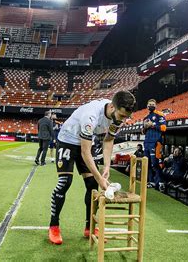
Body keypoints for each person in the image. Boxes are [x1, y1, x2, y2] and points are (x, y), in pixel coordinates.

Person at [48, 91, 135, 245]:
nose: (123, 120)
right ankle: (54, 226)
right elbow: (85, 152)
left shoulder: (117, 117)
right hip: (67, 140)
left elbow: (108, 140)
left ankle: (90, 227)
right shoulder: (91, 116)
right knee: (65, 182)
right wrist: (99, 177)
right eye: (122, 116)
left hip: (87, 142)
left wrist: (107, 166)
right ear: (112, 107)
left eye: (126, 117)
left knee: (92, 185)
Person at [142, 99, 167, 189]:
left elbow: (164, 128)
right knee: (147, 163)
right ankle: (151, 181)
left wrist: (152, 125)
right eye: (150, 104)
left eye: (153, 104)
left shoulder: (160, 115)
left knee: (155, 163)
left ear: (156, 106)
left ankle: (160, 182)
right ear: (147, 106)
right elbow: (143, 131)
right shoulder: (145, 118)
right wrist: (145, 127)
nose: (151, 106)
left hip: (156, 142)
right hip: (147, 142)